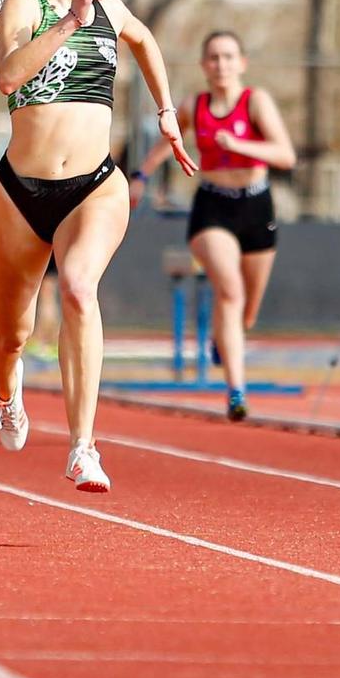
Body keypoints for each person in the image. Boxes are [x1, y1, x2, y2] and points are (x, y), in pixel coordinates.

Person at [0, 0, 193, 492]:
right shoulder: (25, 3)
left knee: (77, 288)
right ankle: (6, 390)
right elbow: (7, 76)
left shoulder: (114, 9)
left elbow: (147, 44)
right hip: (21, 192)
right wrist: (71, 19)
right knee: (11, 333)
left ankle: (83, 447)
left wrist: (167, 113)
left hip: (96, 185)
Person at [132, 29, 297, 421]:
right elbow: (165, 141)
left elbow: (285, 155)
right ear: (204, 65)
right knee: (230, 290)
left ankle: (228, 340)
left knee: (247, 313)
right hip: (212, 208)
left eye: (228, 57)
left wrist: (239, 146)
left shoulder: (255, 102)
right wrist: (140, 176)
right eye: (213, 58)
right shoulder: (194, 105)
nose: (221, 64)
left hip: (256, 205)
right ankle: (236, 391)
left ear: (241, 63)